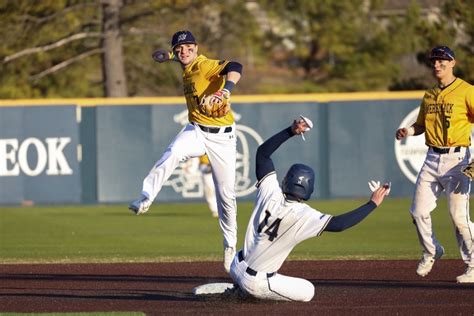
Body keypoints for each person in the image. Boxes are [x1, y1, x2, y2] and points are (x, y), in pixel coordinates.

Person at [229, 118, 390, 301]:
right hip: (256, 282)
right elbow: (339, 224)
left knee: (261, 271)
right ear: (309, 189)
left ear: (285, 181)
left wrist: (291, 130)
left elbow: (262, 154)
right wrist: (372, 204)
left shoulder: (270, 191)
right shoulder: (304, 215)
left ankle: (239, 287)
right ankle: (245, 293)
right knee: (308, 291)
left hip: (236, 264)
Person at [129, 30, 243, 273]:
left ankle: (230, 245)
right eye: (179, 49)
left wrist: (225, 90)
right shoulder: (184, 61)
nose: (184, 51)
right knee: (172, 153)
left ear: (196, 47)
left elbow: (235, 65)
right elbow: (174, 55)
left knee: (226, 196)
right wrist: (169, 56)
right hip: (196, 130)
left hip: (222, 138)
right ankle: (146, 197)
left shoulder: (204, 65)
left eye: (189, 47)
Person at [395, 45, 474, 283]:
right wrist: (408, 130)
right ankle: (432, 251)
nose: (437, 65)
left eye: (442, 61)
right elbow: (420, 125)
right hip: (432, 158)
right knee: (418, 212)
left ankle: (472, 265)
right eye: (434, 61)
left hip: (458, 159)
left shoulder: (467, 91)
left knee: (458, 217)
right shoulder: (429, 94)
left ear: (452, 63)